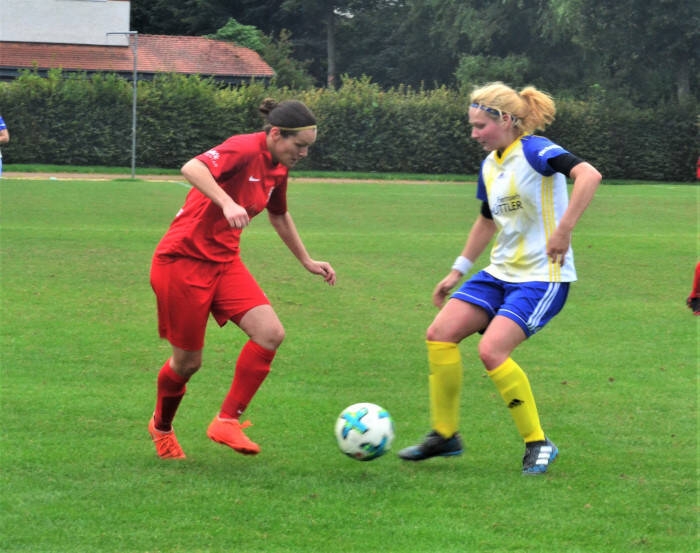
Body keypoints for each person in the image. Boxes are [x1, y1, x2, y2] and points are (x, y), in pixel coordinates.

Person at [398, 82, 602, 475]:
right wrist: (457, 270)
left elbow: (589, 175)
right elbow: (486, 221)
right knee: (439, 334)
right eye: (472, 126)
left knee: (491, 351)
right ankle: (444, 434)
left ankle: (538, 443)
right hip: (499, 273)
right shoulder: (490, 165)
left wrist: (564, 230)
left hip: (543, 276)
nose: (474, 134)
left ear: (506, 119)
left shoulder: (536, 150)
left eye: (480, 126)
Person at [148, 98, 336, 459]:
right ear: (276, 134)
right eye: (299, 145)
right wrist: (226, 202)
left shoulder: (279, 167)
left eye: (308, 147)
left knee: (270, 333)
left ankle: (226, 421)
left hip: (224, 263)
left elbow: (279, 215)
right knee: (187, 364)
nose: (304, 153)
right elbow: (192, 167)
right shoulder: (244, 148)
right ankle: (161, 426)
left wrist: (306, 260)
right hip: (182, 262)